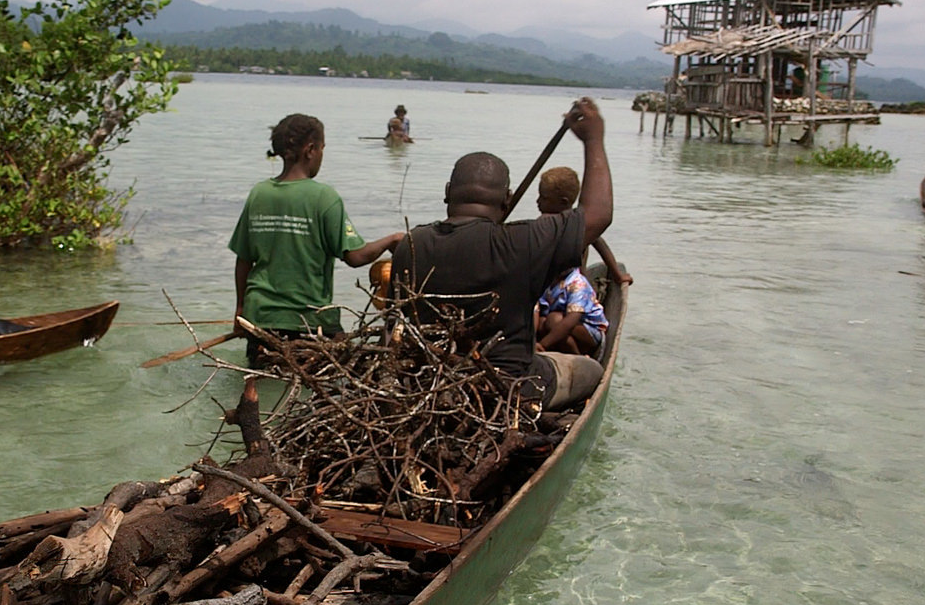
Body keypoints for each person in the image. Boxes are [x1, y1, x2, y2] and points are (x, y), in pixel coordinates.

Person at [389, 98, 613, 409]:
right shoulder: (523, 241)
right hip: (511, 389)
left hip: (428, 383)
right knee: (592, 370)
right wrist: (594, 139)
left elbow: (396, 329)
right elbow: (598, 215)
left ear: (446, 193)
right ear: (506, 201)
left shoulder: (411, 244)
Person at [230, 113, 403, 367]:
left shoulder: (259, 194)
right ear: (310, 150)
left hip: (260, 318)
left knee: (257, 387)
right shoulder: (324, 197)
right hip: (308, 320)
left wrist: (240, 309)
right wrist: (392, 239)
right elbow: (355, 257)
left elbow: (243, 260)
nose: (322, 155)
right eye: (322, 149)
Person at [532, 166, 629, 356]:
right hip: (557, 289)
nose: (538, 201)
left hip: (575, 291)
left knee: (554, 320)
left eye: (543, 197)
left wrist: (617, 275)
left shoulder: (578, 225)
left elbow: (600, 244)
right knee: (547, 320)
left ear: (563, 202)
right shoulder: (543, 225)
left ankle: (579, 358)